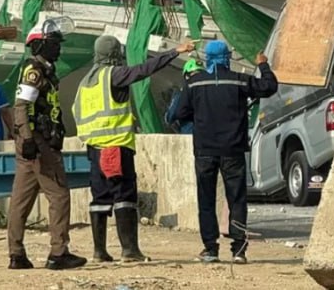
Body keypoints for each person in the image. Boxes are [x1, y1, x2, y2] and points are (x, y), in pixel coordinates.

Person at [73, 35, 195, 263]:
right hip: (116, 146)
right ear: (114, 55)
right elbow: (143, 70)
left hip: (94, 149)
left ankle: (99, 251)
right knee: (124, 196)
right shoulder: (113, 75)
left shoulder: (86, 82)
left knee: (99, 199)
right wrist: (173, 52)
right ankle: (129, 250)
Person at [175, 41, 278, 264]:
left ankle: (210, 249)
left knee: (206, 199)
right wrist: (263, 65)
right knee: (237, 199)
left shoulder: (194, 83)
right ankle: (239, 250)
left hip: (204, 150)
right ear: (227, 57)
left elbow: (179, 111)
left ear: (207, 58)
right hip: (233, 150)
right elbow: (269, 87)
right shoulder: (240, 80)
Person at [7, 20, 87, 271]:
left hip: (33, 141)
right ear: (40, 45)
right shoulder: (35, 71)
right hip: (38, 142)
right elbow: (21, 105)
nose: (59, 49)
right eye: (53, 44)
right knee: (59, 195)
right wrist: (30, 139)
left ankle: (16, 254)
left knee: (21, 200)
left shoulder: (44, 70)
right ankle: (58, 252)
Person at [164, 58, 201, 134]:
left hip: (190, 136)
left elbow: (169, 117)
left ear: (186, 76)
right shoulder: (212, 93)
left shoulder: (181, 94)